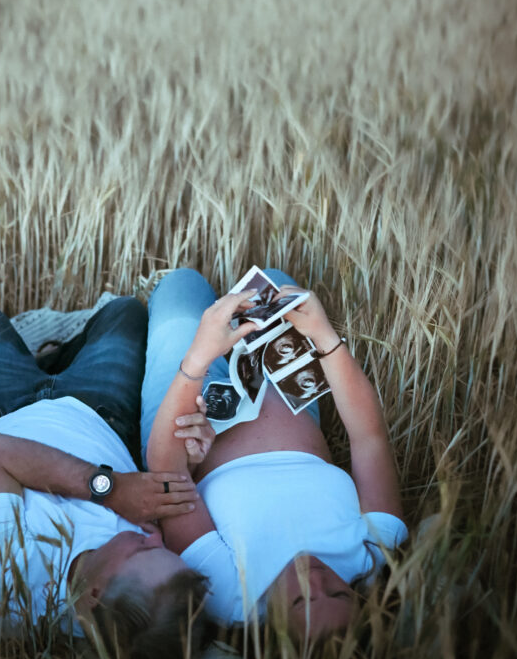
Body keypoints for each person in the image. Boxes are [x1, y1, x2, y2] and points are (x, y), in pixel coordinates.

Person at [0, 297, 213, 659]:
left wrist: (110, 488)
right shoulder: (145, 579)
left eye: (142, 548)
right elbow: (172, 477)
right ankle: (54, 358)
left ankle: (33, 362)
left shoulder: (4, 587)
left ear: (94, 594)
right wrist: (194, 452)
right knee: (125, 311)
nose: (154, 538)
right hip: (101, 411)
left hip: (4, 410)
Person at [141, 268, 408, 639]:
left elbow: (168, 471)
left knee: (182, 288)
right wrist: (324, 338)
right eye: (336, 592)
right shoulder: (374, 552)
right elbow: (369, 438)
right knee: (273, 281)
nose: (315, 578)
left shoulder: (231, 593)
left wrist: (199, 357)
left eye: (302, 601)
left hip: (187, 420)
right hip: (287, 390)